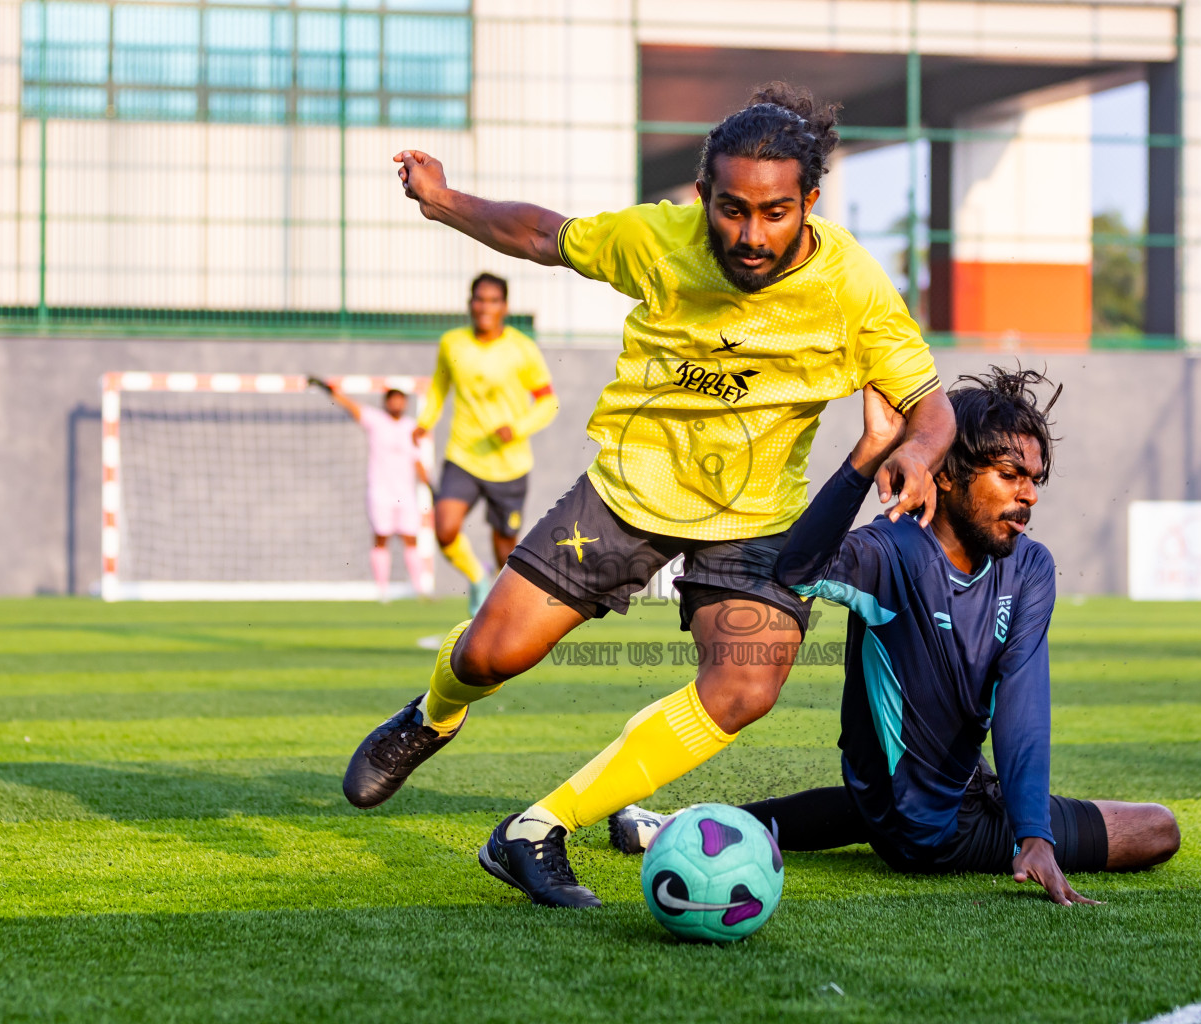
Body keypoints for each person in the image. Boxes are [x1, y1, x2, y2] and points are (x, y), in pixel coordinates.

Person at [341, 83, 957, 908]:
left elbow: (932, 405)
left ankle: (536, 829)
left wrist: (918, 455)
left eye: (775, 213)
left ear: (809, 201)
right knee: (494, 655)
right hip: (630, 491)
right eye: (731, 209)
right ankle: (435, 713)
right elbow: (542, 234)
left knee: (744, 689)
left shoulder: (854, 288)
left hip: (757, 523)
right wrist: (446, 200)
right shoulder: (658, 241)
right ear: (703, 195)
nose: (750, 235)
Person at [611, 371, 1182, 904]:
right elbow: (798, 570)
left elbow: (1022, 697)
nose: (1028, 495)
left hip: (934, 790)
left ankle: (684, 826)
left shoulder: (1029, 566)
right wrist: (869, 455)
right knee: (1158, 828)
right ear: (948, 474)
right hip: (928, 834)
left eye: (1034, 480)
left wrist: (1031, 827)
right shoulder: (888, 553)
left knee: (902, 797)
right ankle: (702, 825)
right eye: (1009, 476)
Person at [416, 273, 559, 616]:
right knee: (444, 527)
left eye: (493, 300)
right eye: (479, 299)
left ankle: (497, 605)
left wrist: (518, 427)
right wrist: (424, 423)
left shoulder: (522, 349)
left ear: (505, 307)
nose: (485, 307)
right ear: (470, 303)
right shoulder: (452, 343)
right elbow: (439, 387)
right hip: (463, 455)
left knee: (505, 550)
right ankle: (477, 577)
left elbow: (548, 402)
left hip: (509, 465)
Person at [318, 381, 433, 601]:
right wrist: (333, 392)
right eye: (393, 400)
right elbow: (352, 406)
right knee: (382, 538)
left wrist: (428, 482)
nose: (397, 404)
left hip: (405, 494)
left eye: (401, 400)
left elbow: (416, 459)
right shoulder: (376, 421)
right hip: (381, 491)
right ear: (387, 403)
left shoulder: (411, 426)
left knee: (411, 538)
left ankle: (420, 589)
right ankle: (383, 591)